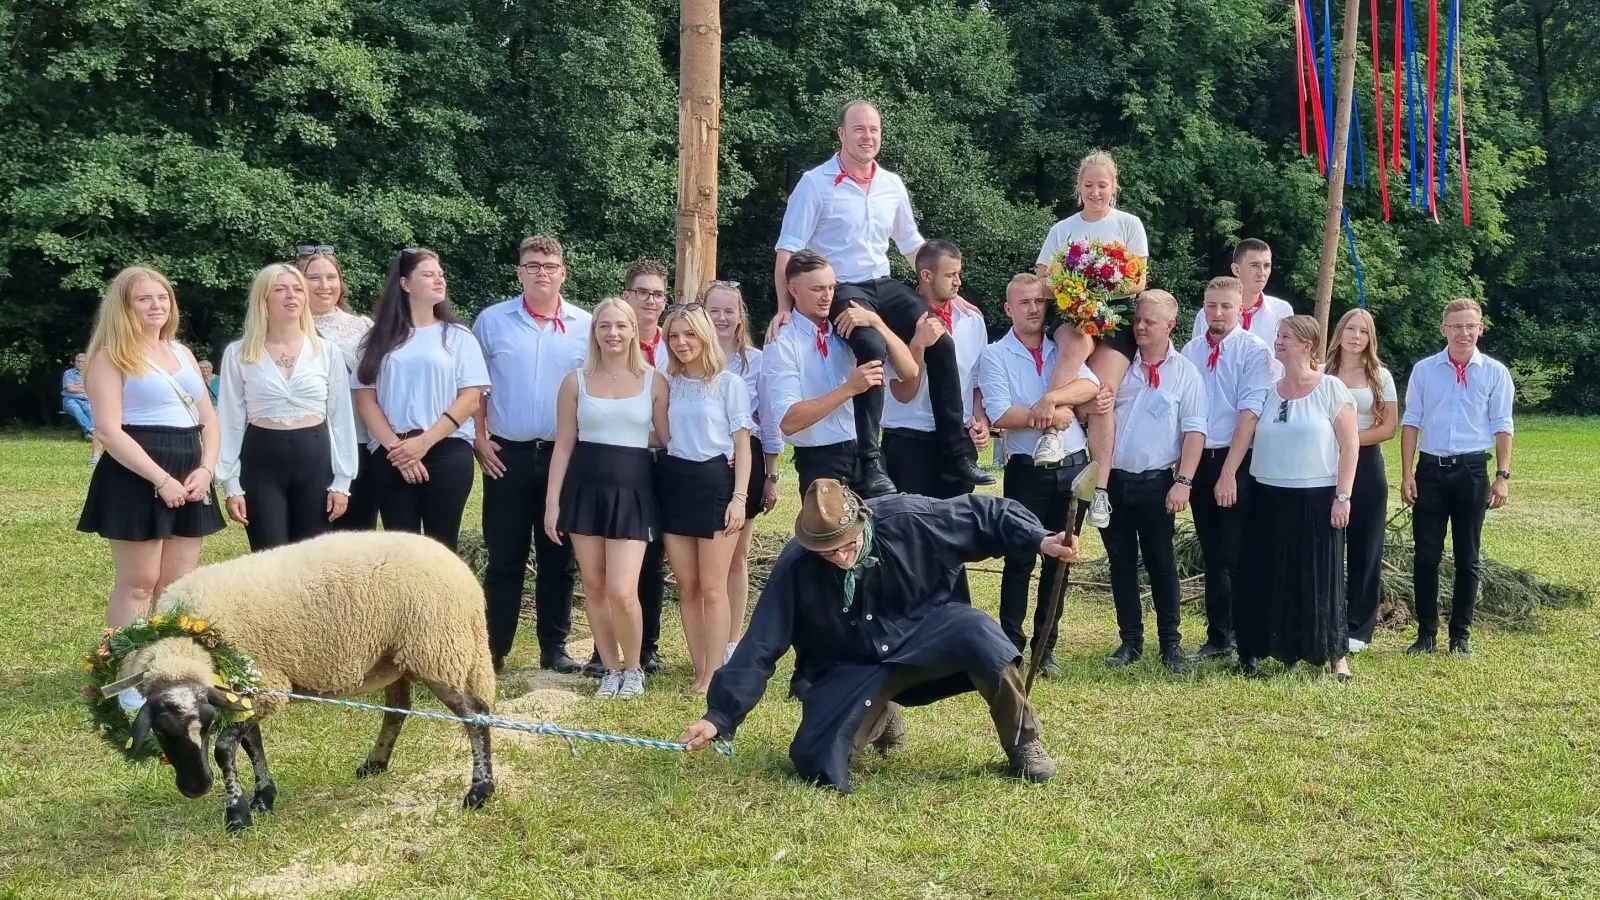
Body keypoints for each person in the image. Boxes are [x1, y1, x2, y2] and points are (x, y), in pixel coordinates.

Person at [680, 480, 1082, 791]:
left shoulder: (910, 518)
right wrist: (720, 715)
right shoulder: (795, 566)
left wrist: (1038, 538)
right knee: (814, 762)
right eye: (827, 551)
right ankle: (882, 717)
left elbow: (987, 514)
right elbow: (760, 645)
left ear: (860, 521)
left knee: (980, 634)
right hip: (852, 666)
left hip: (927, 638)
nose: (840, 556)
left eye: (847, 545)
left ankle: (1022, 742)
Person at [770, 100, 989, 495]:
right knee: (870, 347)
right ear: (841, 134)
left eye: (874, 129)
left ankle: (956, 450)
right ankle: (871, 460)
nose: (867, 137)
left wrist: (948, 294)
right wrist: (784, 308)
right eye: (858, 129)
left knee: (940, 339)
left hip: (884, 284)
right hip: (844, 286)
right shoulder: (815, 183)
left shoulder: (891, 184)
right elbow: (788, 250)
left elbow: (913, 247)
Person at [77, 267, 225, 650]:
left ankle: (164, 664)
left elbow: (208, 420)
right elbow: (109, 431)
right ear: (124, 306)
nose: (156, 305)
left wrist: (206, 470)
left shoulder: (183, 352)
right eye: (144, 298)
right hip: (136, 474)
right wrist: (161, 480)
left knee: (176, 585)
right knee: (139, 582)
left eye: (162, 297)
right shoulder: (110, 357)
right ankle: (124, 670)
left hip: (191, 473)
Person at [472, 235, 591, 674]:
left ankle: (554, 648)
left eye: (550, 265)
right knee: (504, 555)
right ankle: (494, 647)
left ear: (563, 273)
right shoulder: (492, 321)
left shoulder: (586, 323)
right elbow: (475, 386)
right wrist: (478, 437)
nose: (542, 271)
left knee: (559, 555)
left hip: (565, 455)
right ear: (519, 272)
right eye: (532, 264)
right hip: (507, 455)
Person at [977, 273, 1103, 674]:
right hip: (1027, 470)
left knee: (1060, 559)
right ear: (1008, 309)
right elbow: (999, 413)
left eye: (1039, 302)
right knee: (1018, 560)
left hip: (1071, 466)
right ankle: (1010, 646)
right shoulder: (995, 355)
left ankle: (1045, 648)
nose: (1034, 309)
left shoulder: (1061, 349)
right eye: (1025, 303)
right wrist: (1050, 415)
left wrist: (1052, 399)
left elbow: (1091, 389)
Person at [545, 299, 671, 699]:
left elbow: (667, 439)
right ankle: (610, 670)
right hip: (584, 491)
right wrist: (553, 503)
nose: (613, 333)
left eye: (621, 326)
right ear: (595, 331)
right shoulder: (574, 382)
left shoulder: (655, 381)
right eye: (604, 326)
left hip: (633, 491)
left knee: (622, 589)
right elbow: (564, 445)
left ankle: (634, 669)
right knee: (595, 588)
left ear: (634, 330)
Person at [1031, 150, 1151, 529]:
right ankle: (1051, 433)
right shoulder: (1062, 229)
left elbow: (1139, 280)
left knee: (1101, 399)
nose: (1096, 192)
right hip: (1075, 312)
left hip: (1116, 315)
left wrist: (1102, 282)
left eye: (1102, 184)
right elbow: (1042, 282)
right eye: (1088, 185)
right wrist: (1076, 289)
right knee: (1076, 343)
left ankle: (1100, 491)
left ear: (1114, 186)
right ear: (1078, 188)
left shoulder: (1129, 224)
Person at [1244, 316, 1358, 679]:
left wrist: (1343, 496)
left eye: (1286, 337)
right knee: (1271, 573)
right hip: (1268, 494)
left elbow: (1350, 445)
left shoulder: (1330, 388)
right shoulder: (1268, 389)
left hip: (1316, 494)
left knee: (1320, 576)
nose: (1278, 342)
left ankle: (1335, 653)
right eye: (1277, 336)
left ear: (1307, 346)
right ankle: (1274, 648)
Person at [353, 248, 489, 552]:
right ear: (405, 284)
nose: (439, 280)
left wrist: (424, 443)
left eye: (440, 274)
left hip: (447, 450)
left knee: (442, 548)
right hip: (392, 453)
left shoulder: (458, 337)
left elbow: (470, 398)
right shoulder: (376, 339)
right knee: (401, 551)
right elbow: (365, 400)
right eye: (428, 274)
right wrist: (398, 450)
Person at [1400, 298, 1515, 656]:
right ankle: (1426, 634)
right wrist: (1407, 473)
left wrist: (1502, 476)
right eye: (1456, 326)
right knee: (1426, 555)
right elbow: (1412, 421)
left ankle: (1460, 636)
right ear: (1443, 330)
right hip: (1431, 470)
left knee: (1468, 556)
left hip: (1472, 470)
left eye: (1471, 325)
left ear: (1481, 327)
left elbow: (1502, 424)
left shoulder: (1495, 373)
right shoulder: (1425, 370)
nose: (1464, 333)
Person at [215, 264, 358, 551]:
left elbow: (341, 417)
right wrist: (230, 484)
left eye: (297, 289)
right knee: (269, 557)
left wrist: (342, 481)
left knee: (311, 558)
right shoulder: (240, 353)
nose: (290, 296)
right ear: (263, 299)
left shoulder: (325, 351)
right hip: (262, 461)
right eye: (280, 289)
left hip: (315, 459)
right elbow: (229, 420)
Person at [1100, 290, 1207, 672]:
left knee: (1161, 564)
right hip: (1112, 480)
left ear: (1170, 325)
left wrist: (1184, 481)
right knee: (1121, 563)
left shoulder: (1185, 373)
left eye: (1150, 321)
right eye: (1138, 319)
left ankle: (1171, 645)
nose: (1141, 327)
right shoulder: (1117, 364)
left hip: (1157, 482)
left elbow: (1195, 431)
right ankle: (1130, 640)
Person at [578, 260, 674, 679]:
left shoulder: (671, 353)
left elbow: (673, 431)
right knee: (598, 583)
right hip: (594, 479)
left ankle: (641, 656)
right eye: (643, 292)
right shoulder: (582, 373)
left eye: (658, 294)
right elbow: (572, 437)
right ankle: (608, 661)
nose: (650, 300)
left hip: (645, 477)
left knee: (635, 577)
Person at [767, 250, 920, 498]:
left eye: (831, 287)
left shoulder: (849, 326)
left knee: (881, 535)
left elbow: (909, 371)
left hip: (869, 458)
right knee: (835, 537)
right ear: (793, 290)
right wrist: (849, 388)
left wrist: (877, 322)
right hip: (821, 463)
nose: (828, 296)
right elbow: (789, 421)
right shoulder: (783, 342)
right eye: (817, 289)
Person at [660, 304, 752, 695]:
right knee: (687, 586)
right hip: (676, 483)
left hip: (716, 483)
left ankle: (714, 672)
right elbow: (662, 435)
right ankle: (699, 667)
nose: (681, 343)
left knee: (714, 586)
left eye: (688, 335)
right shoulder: (667, 382)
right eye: (673, 336)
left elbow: (742, 446)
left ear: (704, 336)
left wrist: (739, 498)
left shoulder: (729, 384)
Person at [1180, 276, 1273, 664]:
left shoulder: (1254, 351)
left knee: (1238, 552)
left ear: (1239, 310)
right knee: (1214, 551)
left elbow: (1249, 413)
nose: (1217, 314)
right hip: (1200, 457)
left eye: (1225, 307)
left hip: (1236, 460)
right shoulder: (1190, 351)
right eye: (1211, 306)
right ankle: (1218, 635)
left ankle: (1247, 637)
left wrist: (1229, 472)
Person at [704, 281, 781, 663]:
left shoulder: (758, 361)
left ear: (740, 316)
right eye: (713, 310)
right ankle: (705, 637)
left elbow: (768, 419)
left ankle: (732, 639)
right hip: (696, 459)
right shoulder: (684, 355)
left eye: (728, 311)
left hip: (743, 458)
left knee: (737, 556)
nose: (721, 318)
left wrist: (771, 473)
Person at [882, 240, 991, 499]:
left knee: (957, 528)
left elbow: (975, 381)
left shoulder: (972, 320)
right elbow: (901, 392)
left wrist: (980, 420)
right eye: (950, 275)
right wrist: (918, 344)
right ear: (927, 275)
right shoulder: (895, 320)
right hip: (909, 439)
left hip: (958, 439)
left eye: (958, 274)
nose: (958, 282)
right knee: (910, 529)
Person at [1323, 308, 1398, 653]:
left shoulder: (1380, 376)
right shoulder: (1322, 372)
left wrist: (1348, 439)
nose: (1356, 336)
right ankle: (1328, 618)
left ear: (1371, 339)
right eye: (1351, 328)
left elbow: (1387, 428)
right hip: (1325, 466)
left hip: (1367, 466)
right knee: (1328, 545)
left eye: (1364, 332)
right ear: (1340, 332)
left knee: (1366, 548)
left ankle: (1359, 628)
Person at [298, 246, 382, 531]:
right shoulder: (287, 330)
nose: (324, 286)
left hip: (361, 443)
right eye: (314, 278)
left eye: (331, 277)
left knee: (358, 536)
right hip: (313, 444)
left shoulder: (365, 327)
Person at [1189, 239, 1294, 344]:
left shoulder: (1282, 310)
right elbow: (1197, 354)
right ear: (1236, 270)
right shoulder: (1208, 315)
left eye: (1266, 266)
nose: (1262, 272)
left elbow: (1289, 356)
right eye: (1255, 265)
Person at [63, 352, 103, 464]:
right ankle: (91, 430)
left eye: (82, 361)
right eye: (77, 361)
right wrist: (85, 387)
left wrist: (80, 387)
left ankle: (89, 433)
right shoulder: (69, 373)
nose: (79, 363)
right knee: (76, 410)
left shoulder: (91, 374)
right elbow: (70, 389)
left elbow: (95, 389)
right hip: (70, 399)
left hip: (87, 400)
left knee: (92, 412)